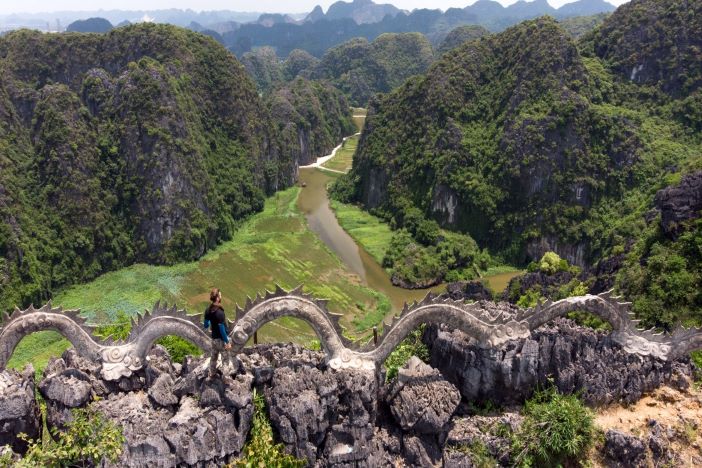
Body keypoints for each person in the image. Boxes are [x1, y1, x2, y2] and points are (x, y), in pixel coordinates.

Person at [204, 288, 232, 377]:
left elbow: (205, 325)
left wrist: (210, 322)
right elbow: (222, 330)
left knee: (213, 358)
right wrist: (227, 342)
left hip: (214, 340)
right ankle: (226, 378)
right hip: (221, 340)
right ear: (217, 298)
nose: (221, 296)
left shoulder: (208, 310)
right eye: (220, 295)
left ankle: (211, 374)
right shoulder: (220, 312)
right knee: (225, 360)